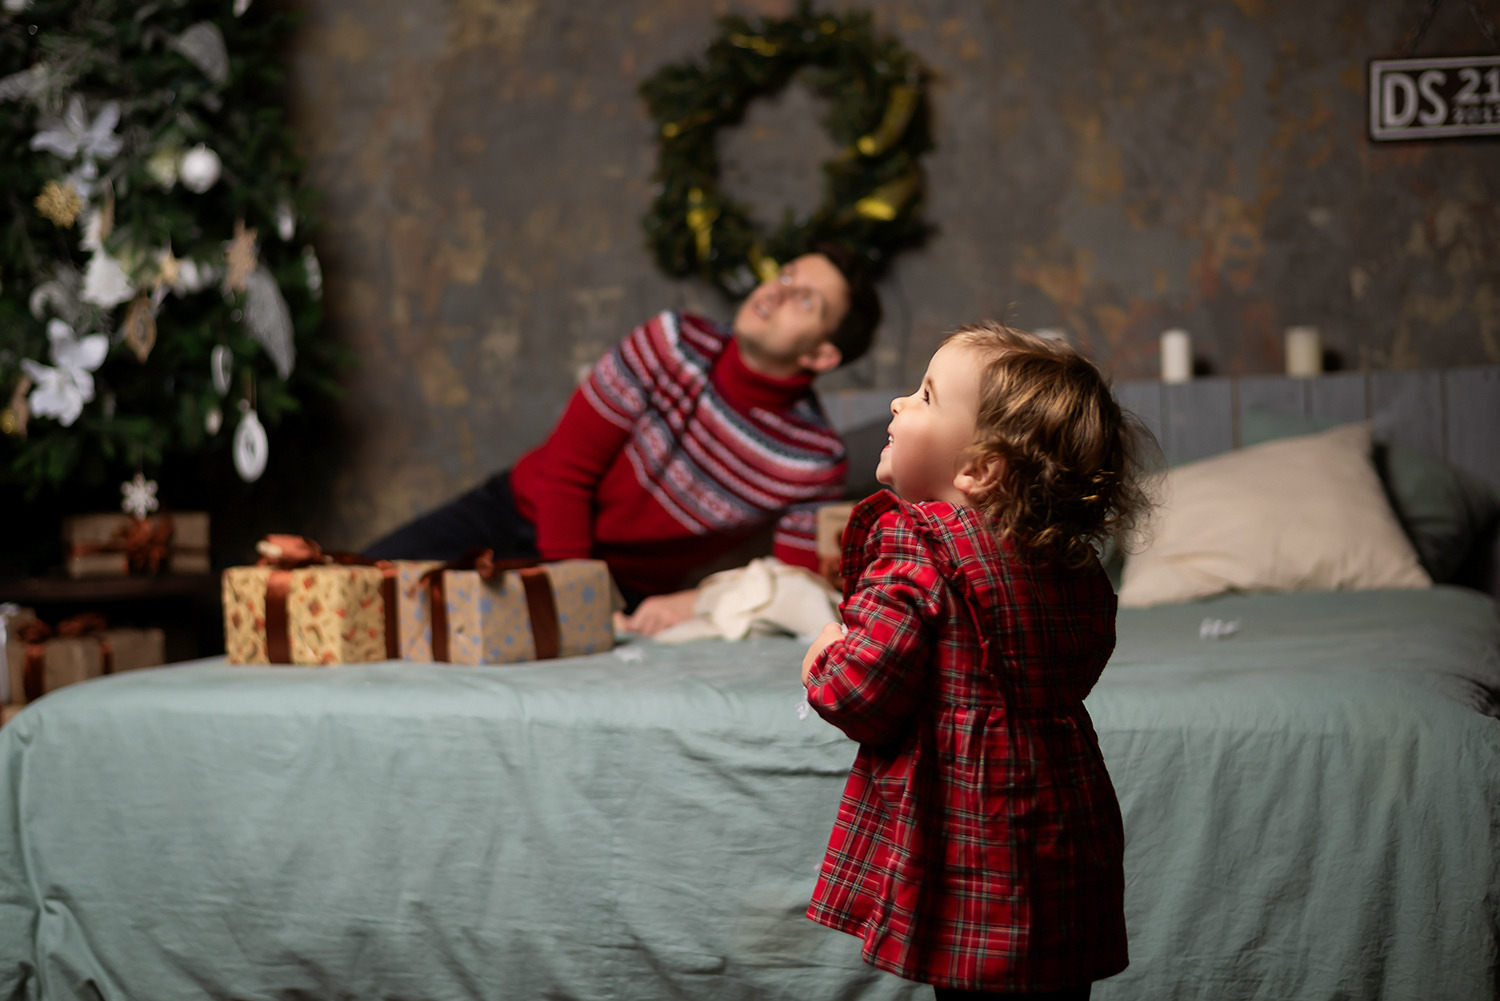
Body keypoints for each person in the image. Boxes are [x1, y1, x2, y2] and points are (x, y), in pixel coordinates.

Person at [798, 322, 1154, 1001]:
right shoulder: (1070, 565)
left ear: (978, 470)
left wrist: (824, 655)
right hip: (1063, 834)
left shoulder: (916, 542)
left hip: (970, 842)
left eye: (926, 395)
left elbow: (861, 692)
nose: (899, 403)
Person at [364, 246, 881, 634]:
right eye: (786, 274)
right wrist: (575, 596)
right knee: (361, 594)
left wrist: (688, 603)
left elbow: (786, 584)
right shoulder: (670, 343)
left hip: (623, 587)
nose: (777, 290)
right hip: (518, 515)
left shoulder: (813, 461)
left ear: (821, 356)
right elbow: (568, 470)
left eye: (805, 300)